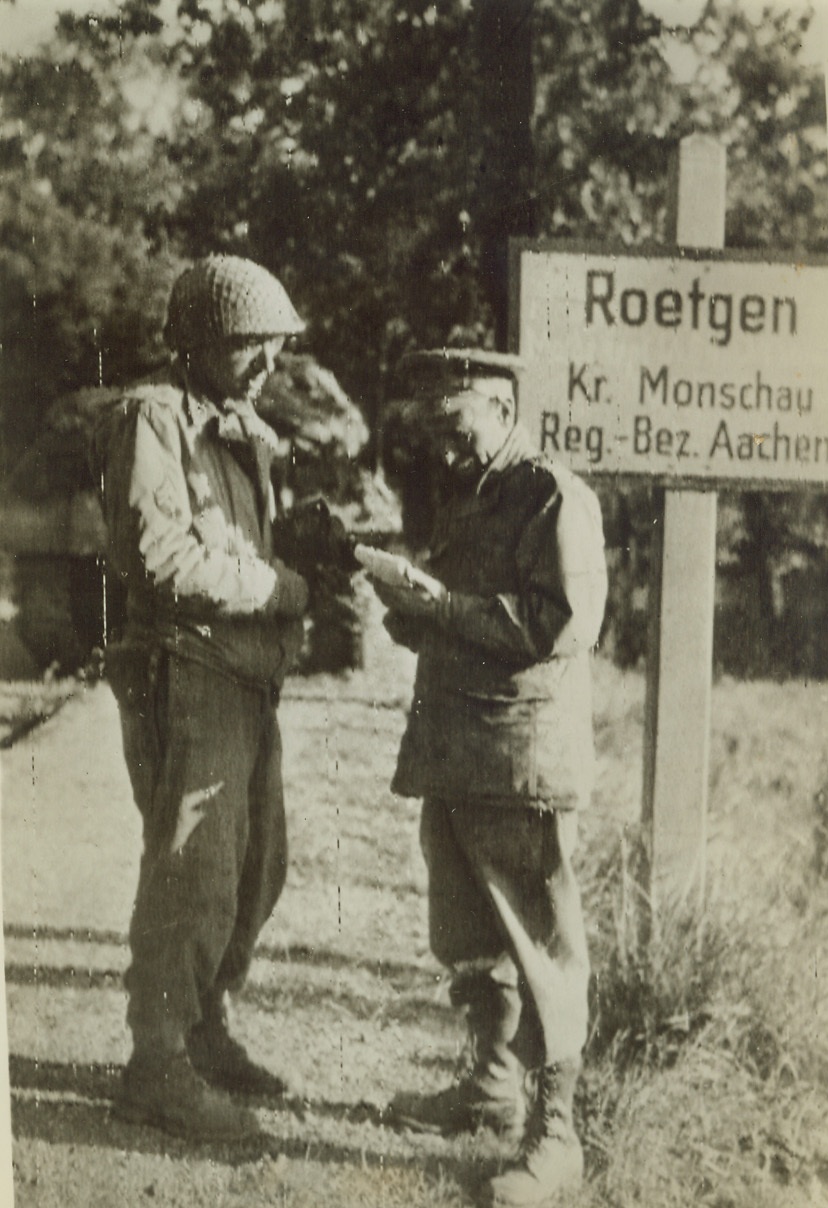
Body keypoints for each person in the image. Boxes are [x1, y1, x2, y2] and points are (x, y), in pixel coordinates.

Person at [370, 349, 607, 1208]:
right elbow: (462, 617)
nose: (442, 440)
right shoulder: (472, 493)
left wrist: (436, 606)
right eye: (432, 425)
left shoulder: (550, 495)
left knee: (541, 947)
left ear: (500, 406)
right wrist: (406, 603)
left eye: (454, 419)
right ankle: (489, 1086)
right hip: (458, 750)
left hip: (519, 758)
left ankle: (557, 1137)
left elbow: (557, 624)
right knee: (468, 933)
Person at [91, 254, 312, 1143]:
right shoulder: (154, 418)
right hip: (183, 671)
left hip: (245, 677)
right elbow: (162, 557)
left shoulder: (242, 427)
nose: (265, 363)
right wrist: (278, 590)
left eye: (272, 346)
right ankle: (157, 1064)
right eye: (247, 345)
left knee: (257, 867)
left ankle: (205, 1024)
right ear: (199, 342)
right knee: (194, 870)